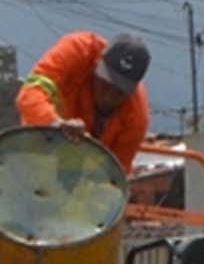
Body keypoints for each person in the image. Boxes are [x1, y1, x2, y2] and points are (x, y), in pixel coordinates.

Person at [15, 32, 152, 172]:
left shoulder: (137, 117)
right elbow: (29, 94)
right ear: (97, 65)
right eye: (105, 84)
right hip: (37, 153)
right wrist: (56, 124)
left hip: (83, 178)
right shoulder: (76, 51)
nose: (108, 98)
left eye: (119, 93)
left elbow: (116, 174)